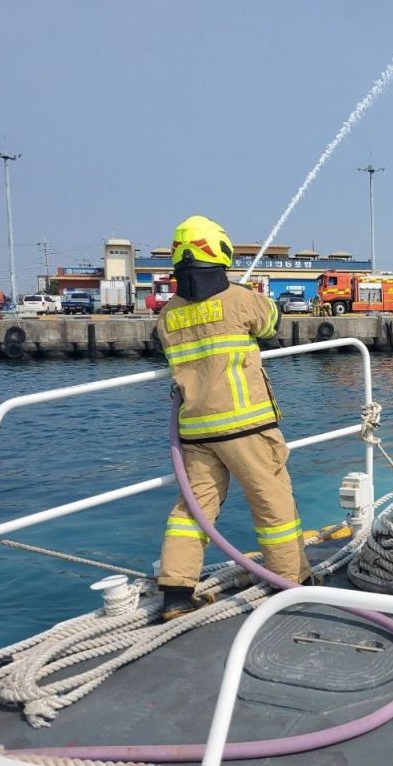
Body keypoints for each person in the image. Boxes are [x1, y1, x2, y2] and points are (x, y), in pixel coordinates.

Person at [156, 215, 311, 620]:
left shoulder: (167, 314)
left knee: (194, 508)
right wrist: (253, 296)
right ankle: (290, 581)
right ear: (221, 251)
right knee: (272, 502)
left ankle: (176, 592)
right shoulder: (240, 299)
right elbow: (271, 322)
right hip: (246, 426)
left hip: (195, 431)